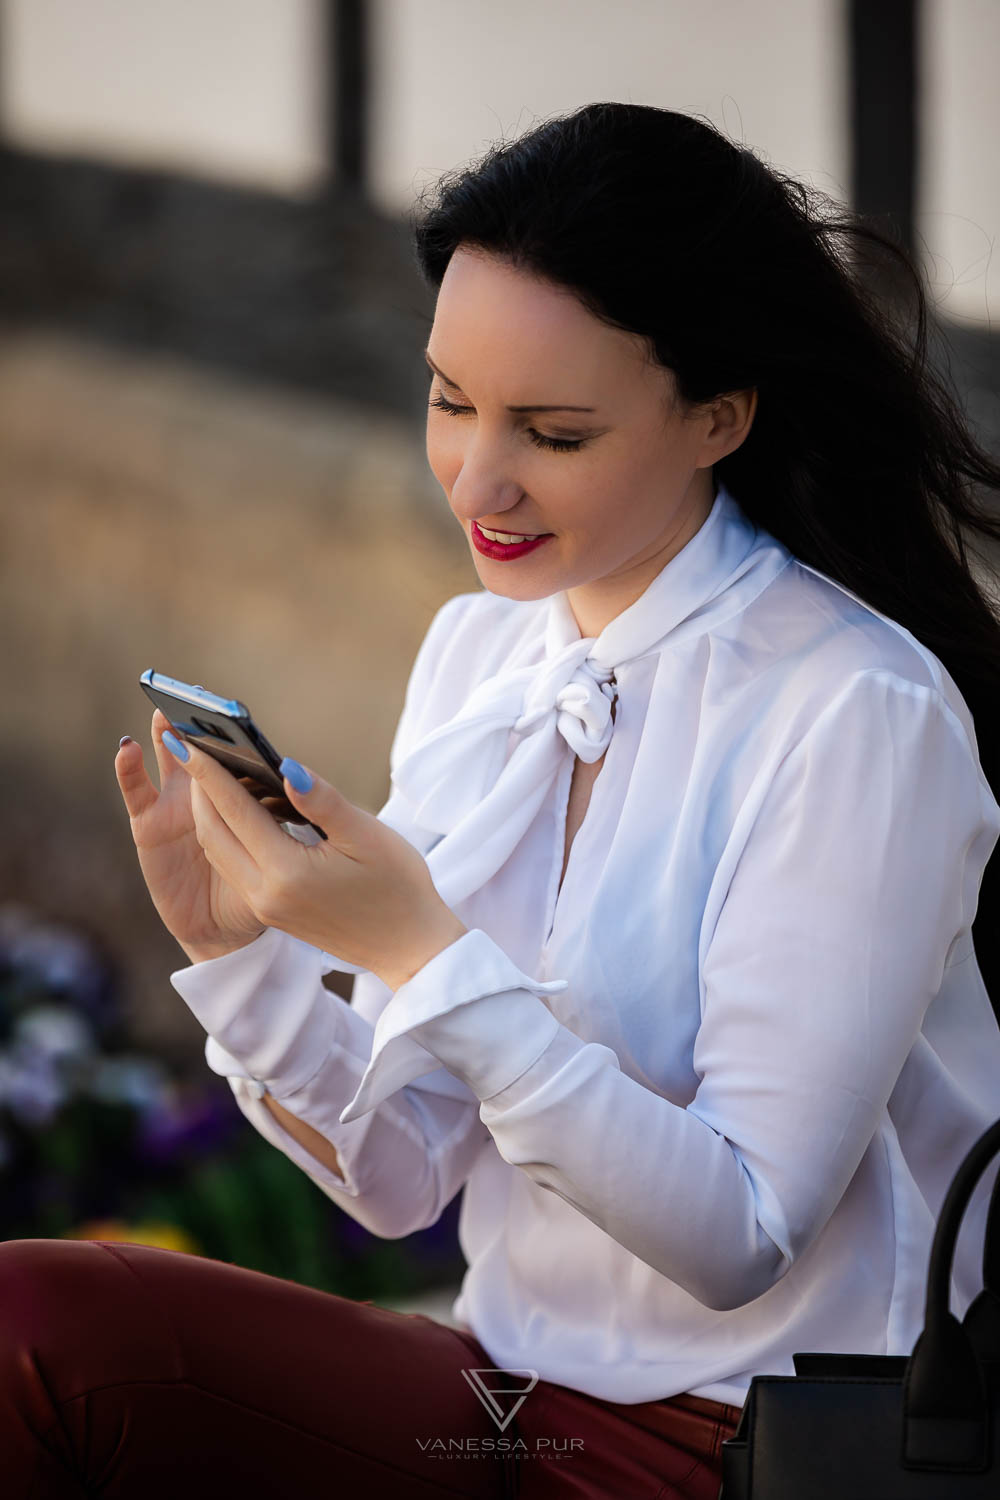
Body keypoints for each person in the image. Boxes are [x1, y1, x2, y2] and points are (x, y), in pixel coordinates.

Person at [4, 101, 1000, 1500]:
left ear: (720, 414)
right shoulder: (483, 651)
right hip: (500, 1392)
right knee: (32, 1328)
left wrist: (422, 951)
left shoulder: (855, 715)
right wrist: (242, 956)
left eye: (555, 430)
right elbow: (406, 1180)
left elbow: (740, 1235)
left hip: (752, 1442)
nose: (480, 477)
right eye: (450, 398)